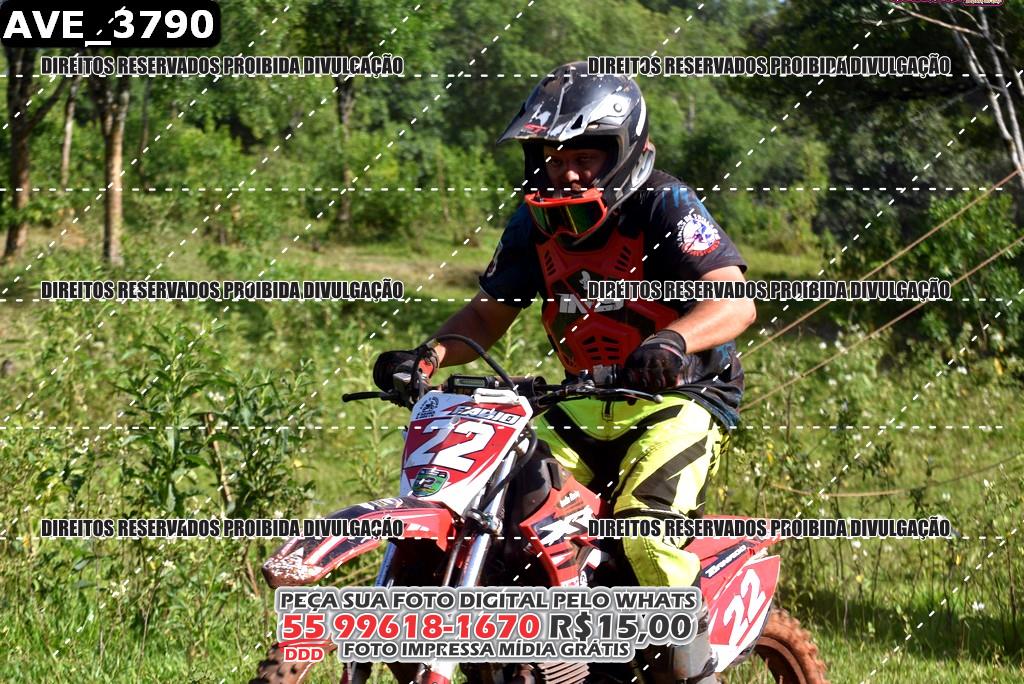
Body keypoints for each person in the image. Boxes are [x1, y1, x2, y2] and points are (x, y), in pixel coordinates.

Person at [373, 61, 755, 684]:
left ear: (623, 153)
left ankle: (691, 673)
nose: (568, 172)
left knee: (645, 536)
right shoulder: (533, 221)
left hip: (681, 398)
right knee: (504, 518)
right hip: (580, 398)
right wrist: (429, 355)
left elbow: (735, 300)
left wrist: (674, 340)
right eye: (554, 158)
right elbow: (488, 313)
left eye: (584, 157)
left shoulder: (664, 203)